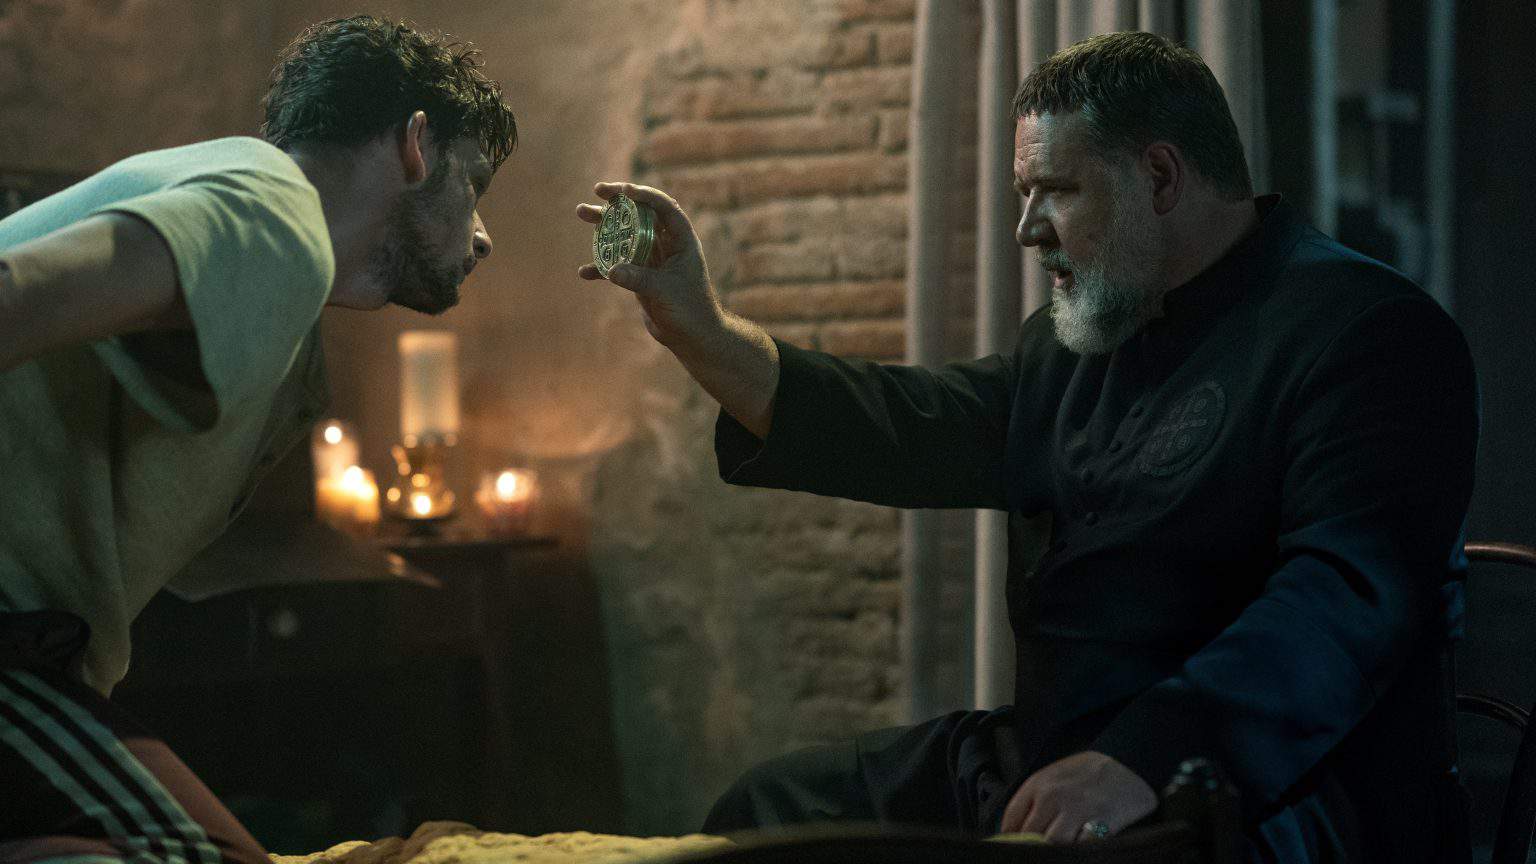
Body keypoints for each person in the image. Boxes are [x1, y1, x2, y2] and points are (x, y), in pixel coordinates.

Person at [577, 31, 1476, 863]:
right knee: (771, 813)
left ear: (1161, 177)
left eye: (1058, 190)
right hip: (1055, 763)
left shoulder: (1367, 332)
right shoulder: (1071, 340)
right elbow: (906, 426)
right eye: (1023, 194)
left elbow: (1345, 600)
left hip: (1269, 794)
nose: (1027, 228)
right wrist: (698, 327)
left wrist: (1142, 760)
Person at [0, 15, 514, 864]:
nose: (483, 235)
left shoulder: (254, 219)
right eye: (476, 183)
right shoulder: (277, 216)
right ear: (417, 144)